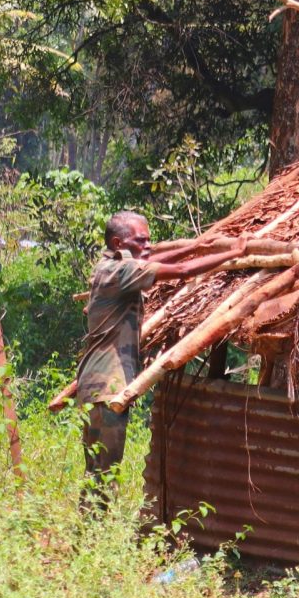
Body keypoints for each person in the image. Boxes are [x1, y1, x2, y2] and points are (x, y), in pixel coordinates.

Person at [60, 211, 248, 495]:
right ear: (118, 242)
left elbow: (153, 262)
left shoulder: (109, 267)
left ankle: (87, 533)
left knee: (95, 470)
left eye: (149, 240)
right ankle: (93, 532)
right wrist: (233, 253)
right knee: (105, 472)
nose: (148, 245)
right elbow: (183, 272)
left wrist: (197, 246)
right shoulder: (120, 271)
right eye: (140, 240)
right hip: (107, 388)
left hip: (94, 385)